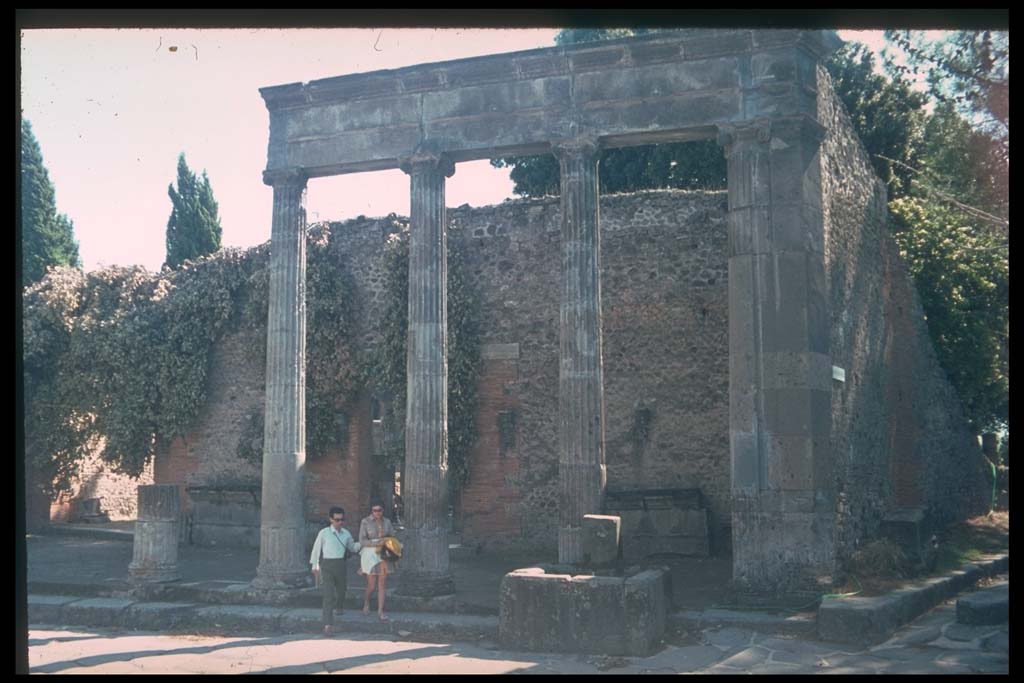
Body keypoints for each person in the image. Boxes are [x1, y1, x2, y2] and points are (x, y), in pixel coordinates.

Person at [309, 506, 361, 636]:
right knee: (328, 595)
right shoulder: (324, 533)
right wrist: (315, 565)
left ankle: (339, 607)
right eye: (337, 519)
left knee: (342, 590)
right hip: (327, 564)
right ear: (331, 519)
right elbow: (316, 549)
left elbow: (353, 547)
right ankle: (328, 624)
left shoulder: (346, 533)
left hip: (341, 564)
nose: (340, 522)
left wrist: (364, 543)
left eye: (342, 519)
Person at [358, 500, 396, 621]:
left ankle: (380, 610)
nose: (377, 513)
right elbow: (362, 541)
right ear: (372, 511)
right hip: (370, 555)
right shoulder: (365, 522)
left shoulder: (387, 522)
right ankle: (366, 602)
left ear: (382, 511)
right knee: (371, 585)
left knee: (382, 585)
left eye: (379, 510)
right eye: (375, 510)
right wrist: (375, 543)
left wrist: (387, 541)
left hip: (383, 554)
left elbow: (392, 536)